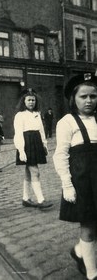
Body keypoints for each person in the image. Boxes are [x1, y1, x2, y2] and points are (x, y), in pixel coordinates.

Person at [53, 73, 97, 280]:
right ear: (73, 98)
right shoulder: (67, 122)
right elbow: (60, 155)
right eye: (83, 96)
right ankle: (92, 273)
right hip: (83, 181)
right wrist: (67, 185)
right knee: (88, 226)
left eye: (93, 96)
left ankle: (79, 251)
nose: (89, 101)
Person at [13, 88, 53, 209]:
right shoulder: (20, 115)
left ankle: (25, 198)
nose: (31, 102)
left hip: (36, 142)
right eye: (29, 100)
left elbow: (41, 131)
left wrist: (44, 144)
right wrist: (21, 150)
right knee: (35, 171)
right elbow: (18, 133)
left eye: (33, 100)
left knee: (28, 172)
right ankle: (40, 200)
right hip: (27, 143)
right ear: (23, 101)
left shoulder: (37, 114)